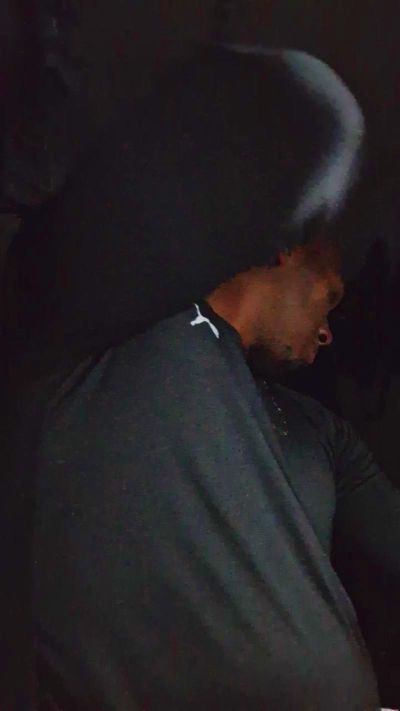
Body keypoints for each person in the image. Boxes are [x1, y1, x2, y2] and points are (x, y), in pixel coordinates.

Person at [9, 45, 400, 710]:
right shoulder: (125, 328)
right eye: (330, 297)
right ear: (287, 245)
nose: (329, 330)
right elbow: (304, 110)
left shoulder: (322, 433)